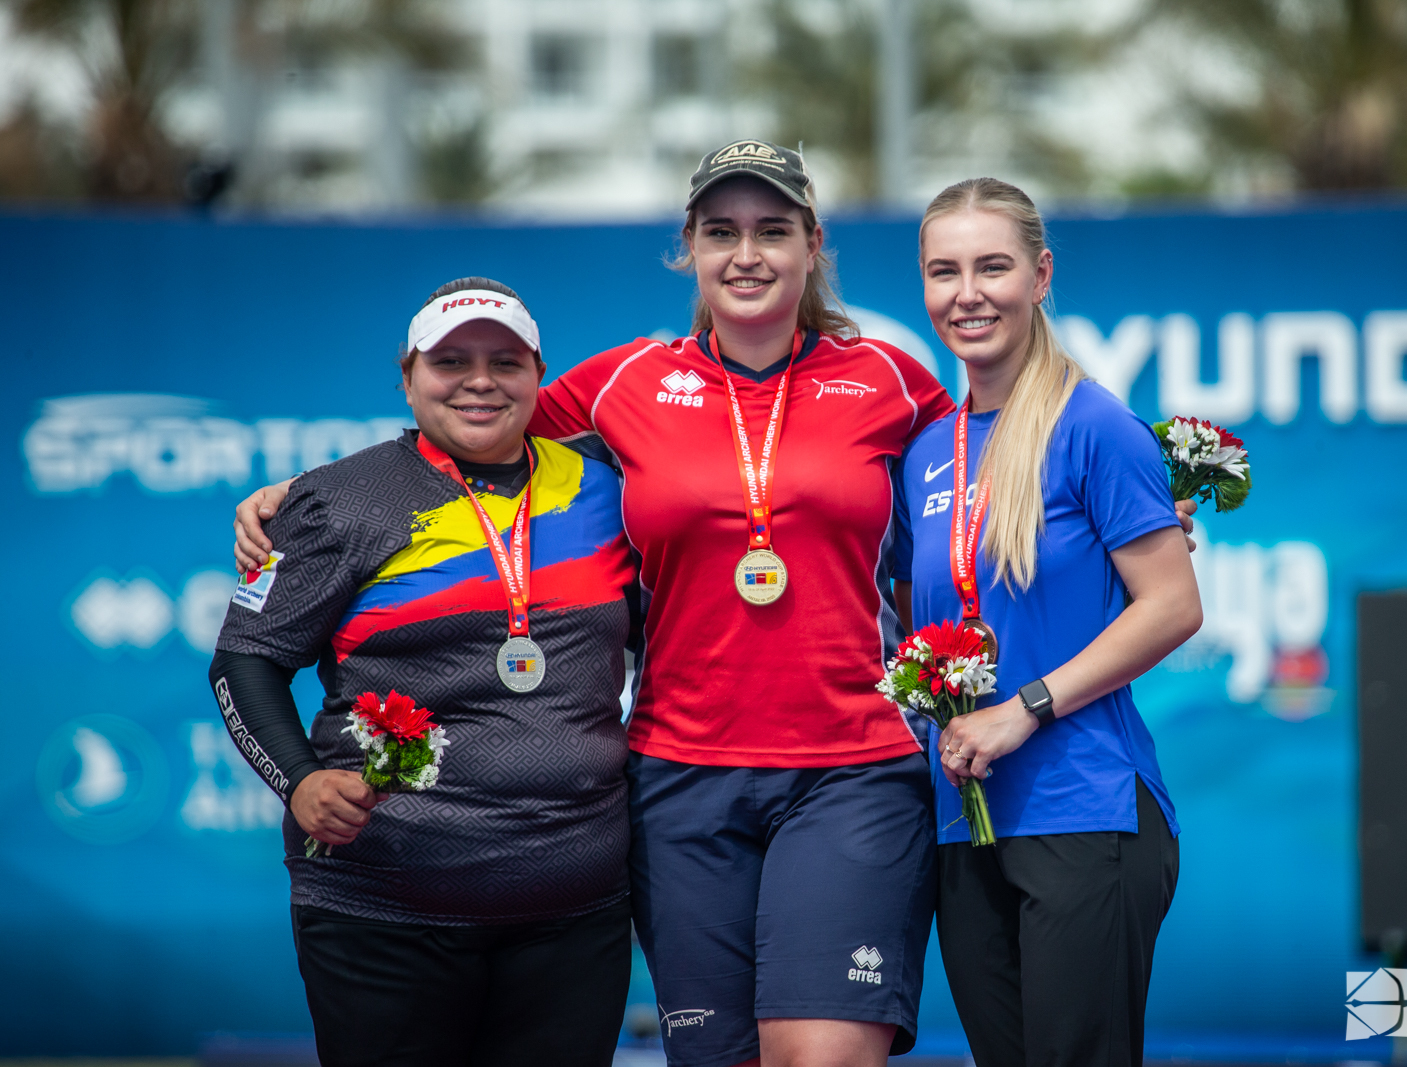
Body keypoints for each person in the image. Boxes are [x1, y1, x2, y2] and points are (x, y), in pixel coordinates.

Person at [235, 141, 957, 1067]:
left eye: (774, 230)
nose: (748, 253)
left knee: (818, 1053)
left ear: (812, 244)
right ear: (687, 247)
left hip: (851, 764)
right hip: (679, 773)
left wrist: (1136, 494)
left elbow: (989, 471)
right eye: (721, 231)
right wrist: (304, 492)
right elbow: (461, 422)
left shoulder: (890, 379)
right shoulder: (625, 382)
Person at [211, 278, 637, 1067]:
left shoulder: (608, 491)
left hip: (576, 914)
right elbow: (244, 662)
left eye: (505, 360)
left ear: (539, 375)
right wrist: (299, 780)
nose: (480, 379)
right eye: (451, 361)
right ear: (406, 377)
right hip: (383, 910)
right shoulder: (339, 499)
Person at [893, 177, 1203, 1067]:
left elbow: (1174, 603)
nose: (968, 293)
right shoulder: (925, 450)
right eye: (944, 271)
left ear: (1040, 273)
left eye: (993, 266)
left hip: (1084, 806)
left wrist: (1022, 706)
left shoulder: (1095, 424)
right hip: (966, 819)